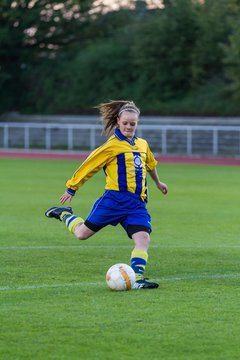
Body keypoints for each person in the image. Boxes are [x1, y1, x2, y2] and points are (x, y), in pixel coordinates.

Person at [45, 100, 168, 289]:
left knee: (143, 238)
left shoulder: (142, 144)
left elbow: (150, 165)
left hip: (136, 204)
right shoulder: (111, 146)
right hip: (113, 201)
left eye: (132, 124)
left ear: (137, 123)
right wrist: (72, 188)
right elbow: (89, 165)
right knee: (82, 234)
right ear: (118, 121)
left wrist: (158, 183)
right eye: (125, 123)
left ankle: (137, 279)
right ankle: (64, 213)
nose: (128, 126)